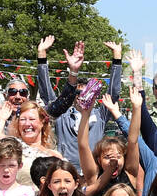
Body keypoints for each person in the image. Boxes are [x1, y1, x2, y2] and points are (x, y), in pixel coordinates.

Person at [36, 36, 123, 169]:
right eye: (77, 93)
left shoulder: (100, 115)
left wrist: (117, 59)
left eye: (86, 93)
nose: (81, 97)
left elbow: (114, 92)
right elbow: (46, 92)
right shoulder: (62, 115)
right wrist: (42, 56)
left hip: (94, 173)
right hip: (67, 173)